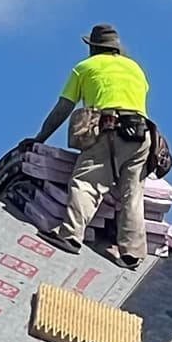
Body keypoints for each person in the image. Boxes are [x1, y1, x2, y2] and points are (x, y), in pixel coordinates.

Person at [34, 24, 152, 268]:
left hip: (108, 127)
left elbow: (64, 108)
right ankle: (132, 253)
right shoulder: (136, 69)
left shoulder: (85, 67)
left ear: (93, 48)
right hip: (141, 133)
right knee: (132, 193)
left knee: (87, 182)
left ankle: (70, 235)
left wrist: (40, 138)